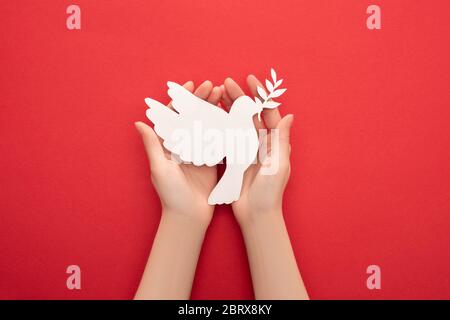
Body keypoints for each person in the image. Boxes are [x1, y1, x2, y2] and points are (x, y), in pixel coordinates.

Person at [133, 74, 309, 300]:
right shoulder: (227, 126)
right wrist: (182, 216)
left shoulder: (231, 127)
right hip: (233, 172)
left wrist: (262, 213)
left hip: (237, 172)